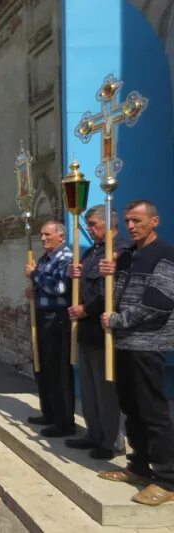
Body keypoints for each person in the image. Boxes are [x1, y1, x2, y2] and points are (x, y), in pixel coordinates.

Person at [97, 200, 174, 506]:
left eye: (137, 220)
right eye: (128, 221)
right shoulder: (129, 255)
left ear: (154, 221)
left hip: (147, 342)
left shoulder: (164, 254)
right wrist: (108, 273)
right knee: (131, 408)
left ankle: (167, 479)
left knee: (153, 412)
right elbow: (116, 293)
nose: (130, 226)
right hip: (124, 342)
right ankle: (139, 466)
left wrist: (118, 320)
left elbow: (159, 302)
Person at [65, 205, 128, 459]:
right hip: (87, 331)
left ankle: (111, 440)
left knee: (106, 389)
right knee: (89, 387)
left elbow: (113, 292)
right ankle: (93, 433)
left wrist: (86, 310)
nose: (89, 230)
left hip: (105, 330)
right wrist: (73, 275)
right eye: (88, 225)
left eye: (93, 224)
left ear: (108, 223)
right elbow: (83, 285)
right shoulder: (92, 251)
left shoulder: (120, 252)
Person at [24, 220, 75, 437]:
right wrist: (35, 291)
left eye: (47, 235)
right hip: (43, 316)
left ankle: (64, 421)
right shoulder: (45, 258)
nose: (43, 238)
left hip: (58, 319)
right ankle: (49, 412)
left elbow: (60, 287)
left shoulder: (65, 258)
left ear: (61, 237)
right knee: (42, 367)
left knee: (58, 370)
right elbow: (45, 286)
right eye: (42, 235)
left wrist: (35, 276)